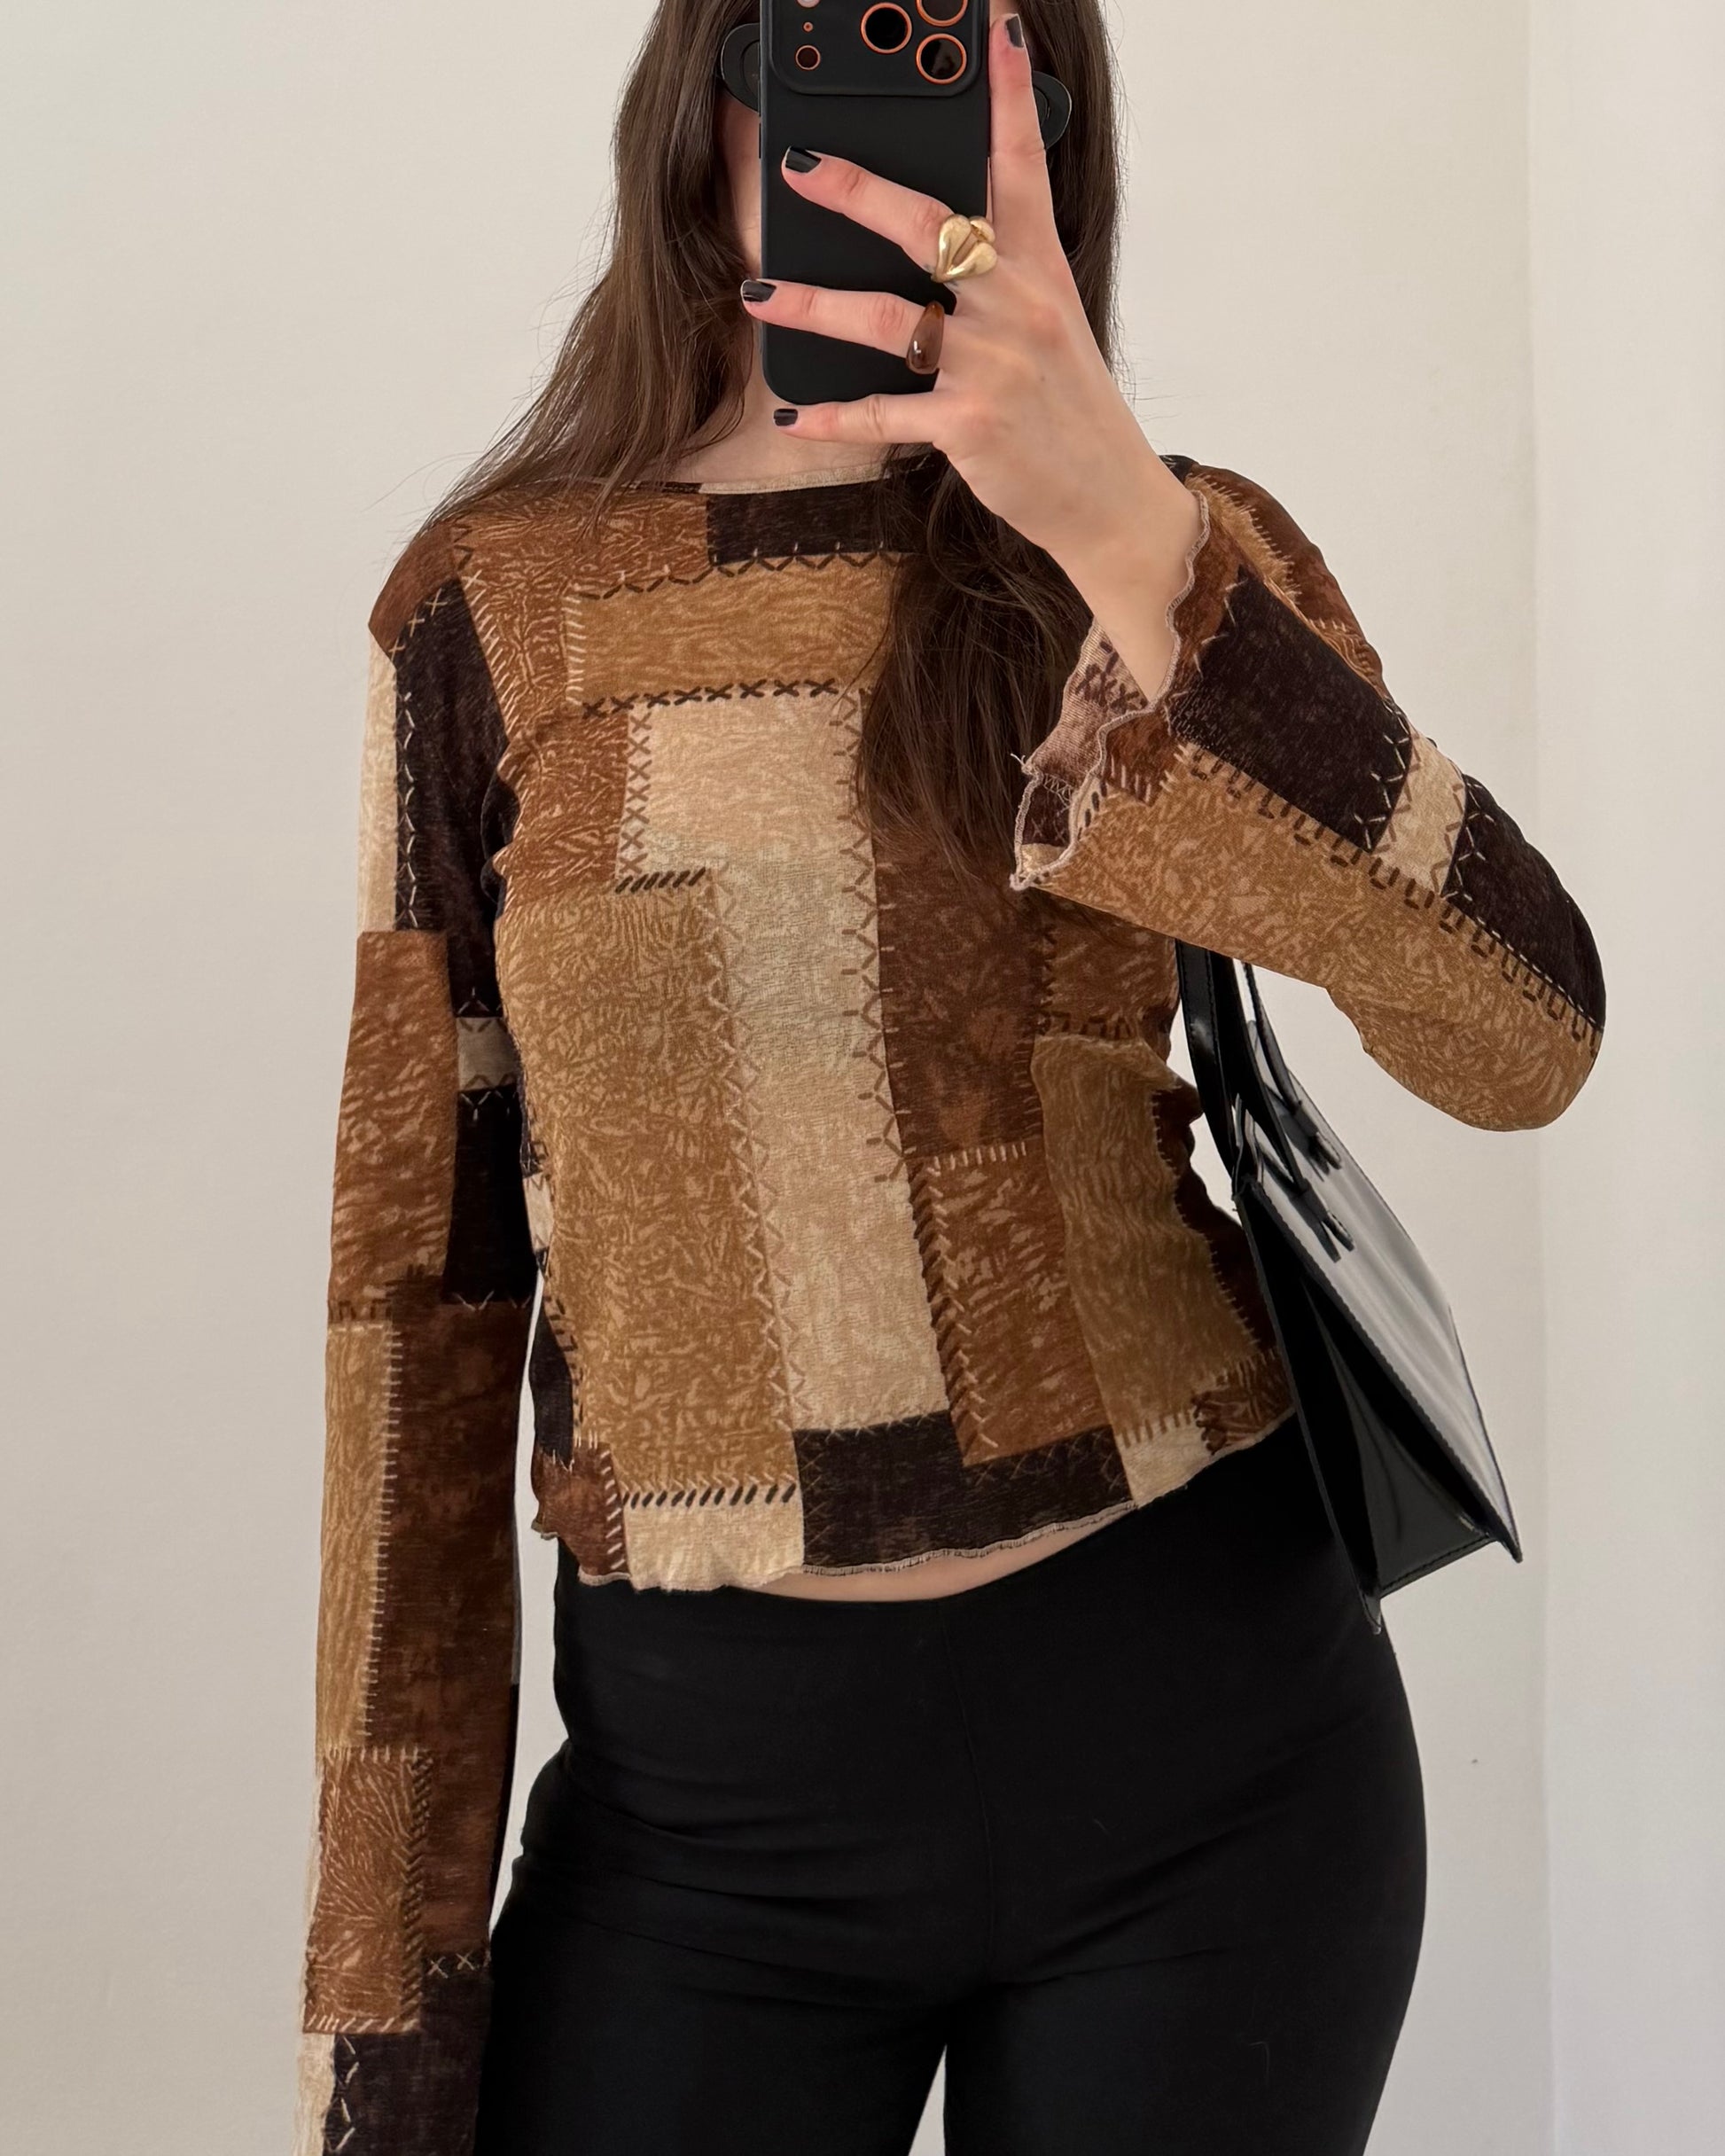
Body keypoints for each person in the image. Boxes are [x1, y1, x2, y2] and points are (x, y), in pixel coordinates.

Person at [293, 4, 1604, 2152]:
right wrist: (385, 2015)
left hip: (1215, 1761)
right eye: (825, 67)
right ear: (704, 105)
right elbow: (411, 1319)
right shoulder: (494, 604)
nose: (879, 155)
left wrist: (1134, 548)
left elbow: (1521, 1034)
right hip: (701, 1824)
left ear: (1052, 152)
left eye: (973, 88)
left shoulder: (1170, 556)